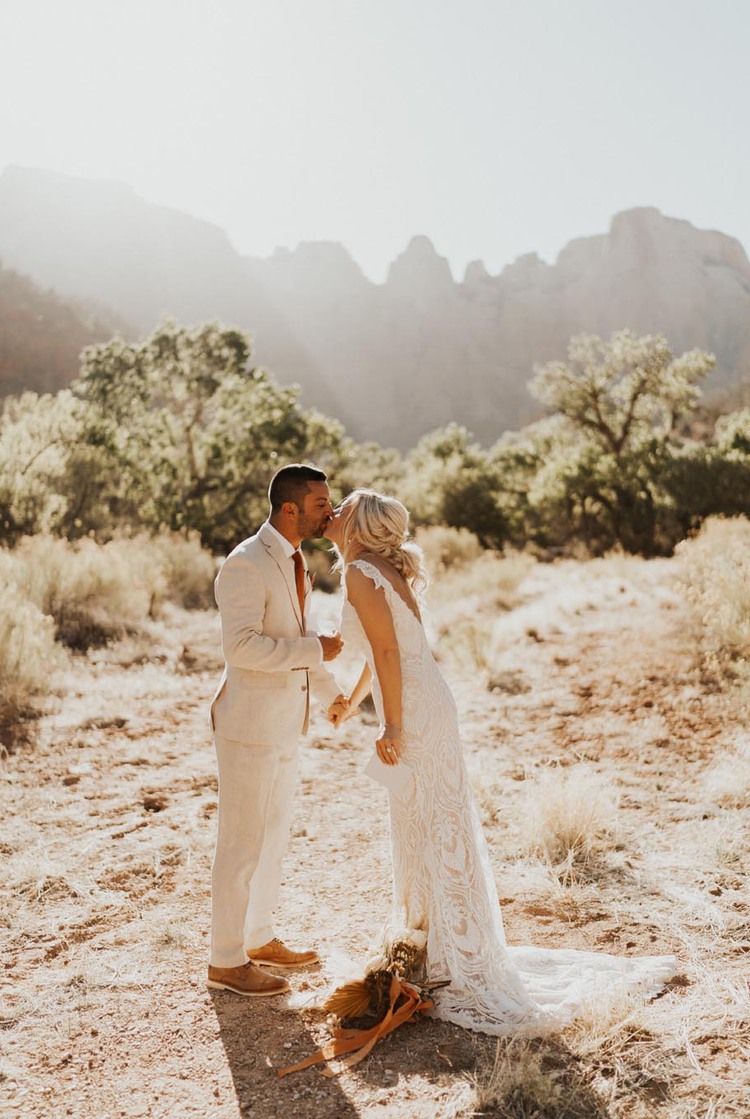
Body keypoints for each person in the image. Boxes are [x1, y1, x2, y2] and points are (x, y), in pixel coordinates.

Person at [324, 489, 678, 1035]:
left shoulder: (361, 574)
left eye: (343, 504)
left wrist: (391, 723)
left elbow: (391, 652)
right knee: (426, 824)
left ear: (359, 524)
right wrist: (354, 699)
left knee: (433, 823)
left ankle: (449, 954)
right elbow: (383, 649)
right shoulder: (377, 571)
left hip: (415, 711)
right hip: (423, 701)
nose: (336, 508)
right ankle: (429, 944)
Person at [207, 464, 347, 997]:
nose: (328, 511)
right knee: (241, 843)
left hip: (286, 724)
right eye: (319, 504)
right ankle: (224, 960)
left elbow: (300, 634)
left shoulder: (294, 559)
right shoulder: (244, 564)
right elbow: (241, 650)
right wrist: (315, 651)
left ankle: (258, 938)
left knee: (272, 837)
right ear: (289, 508)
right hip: (247, 726)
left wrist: (331, 692)